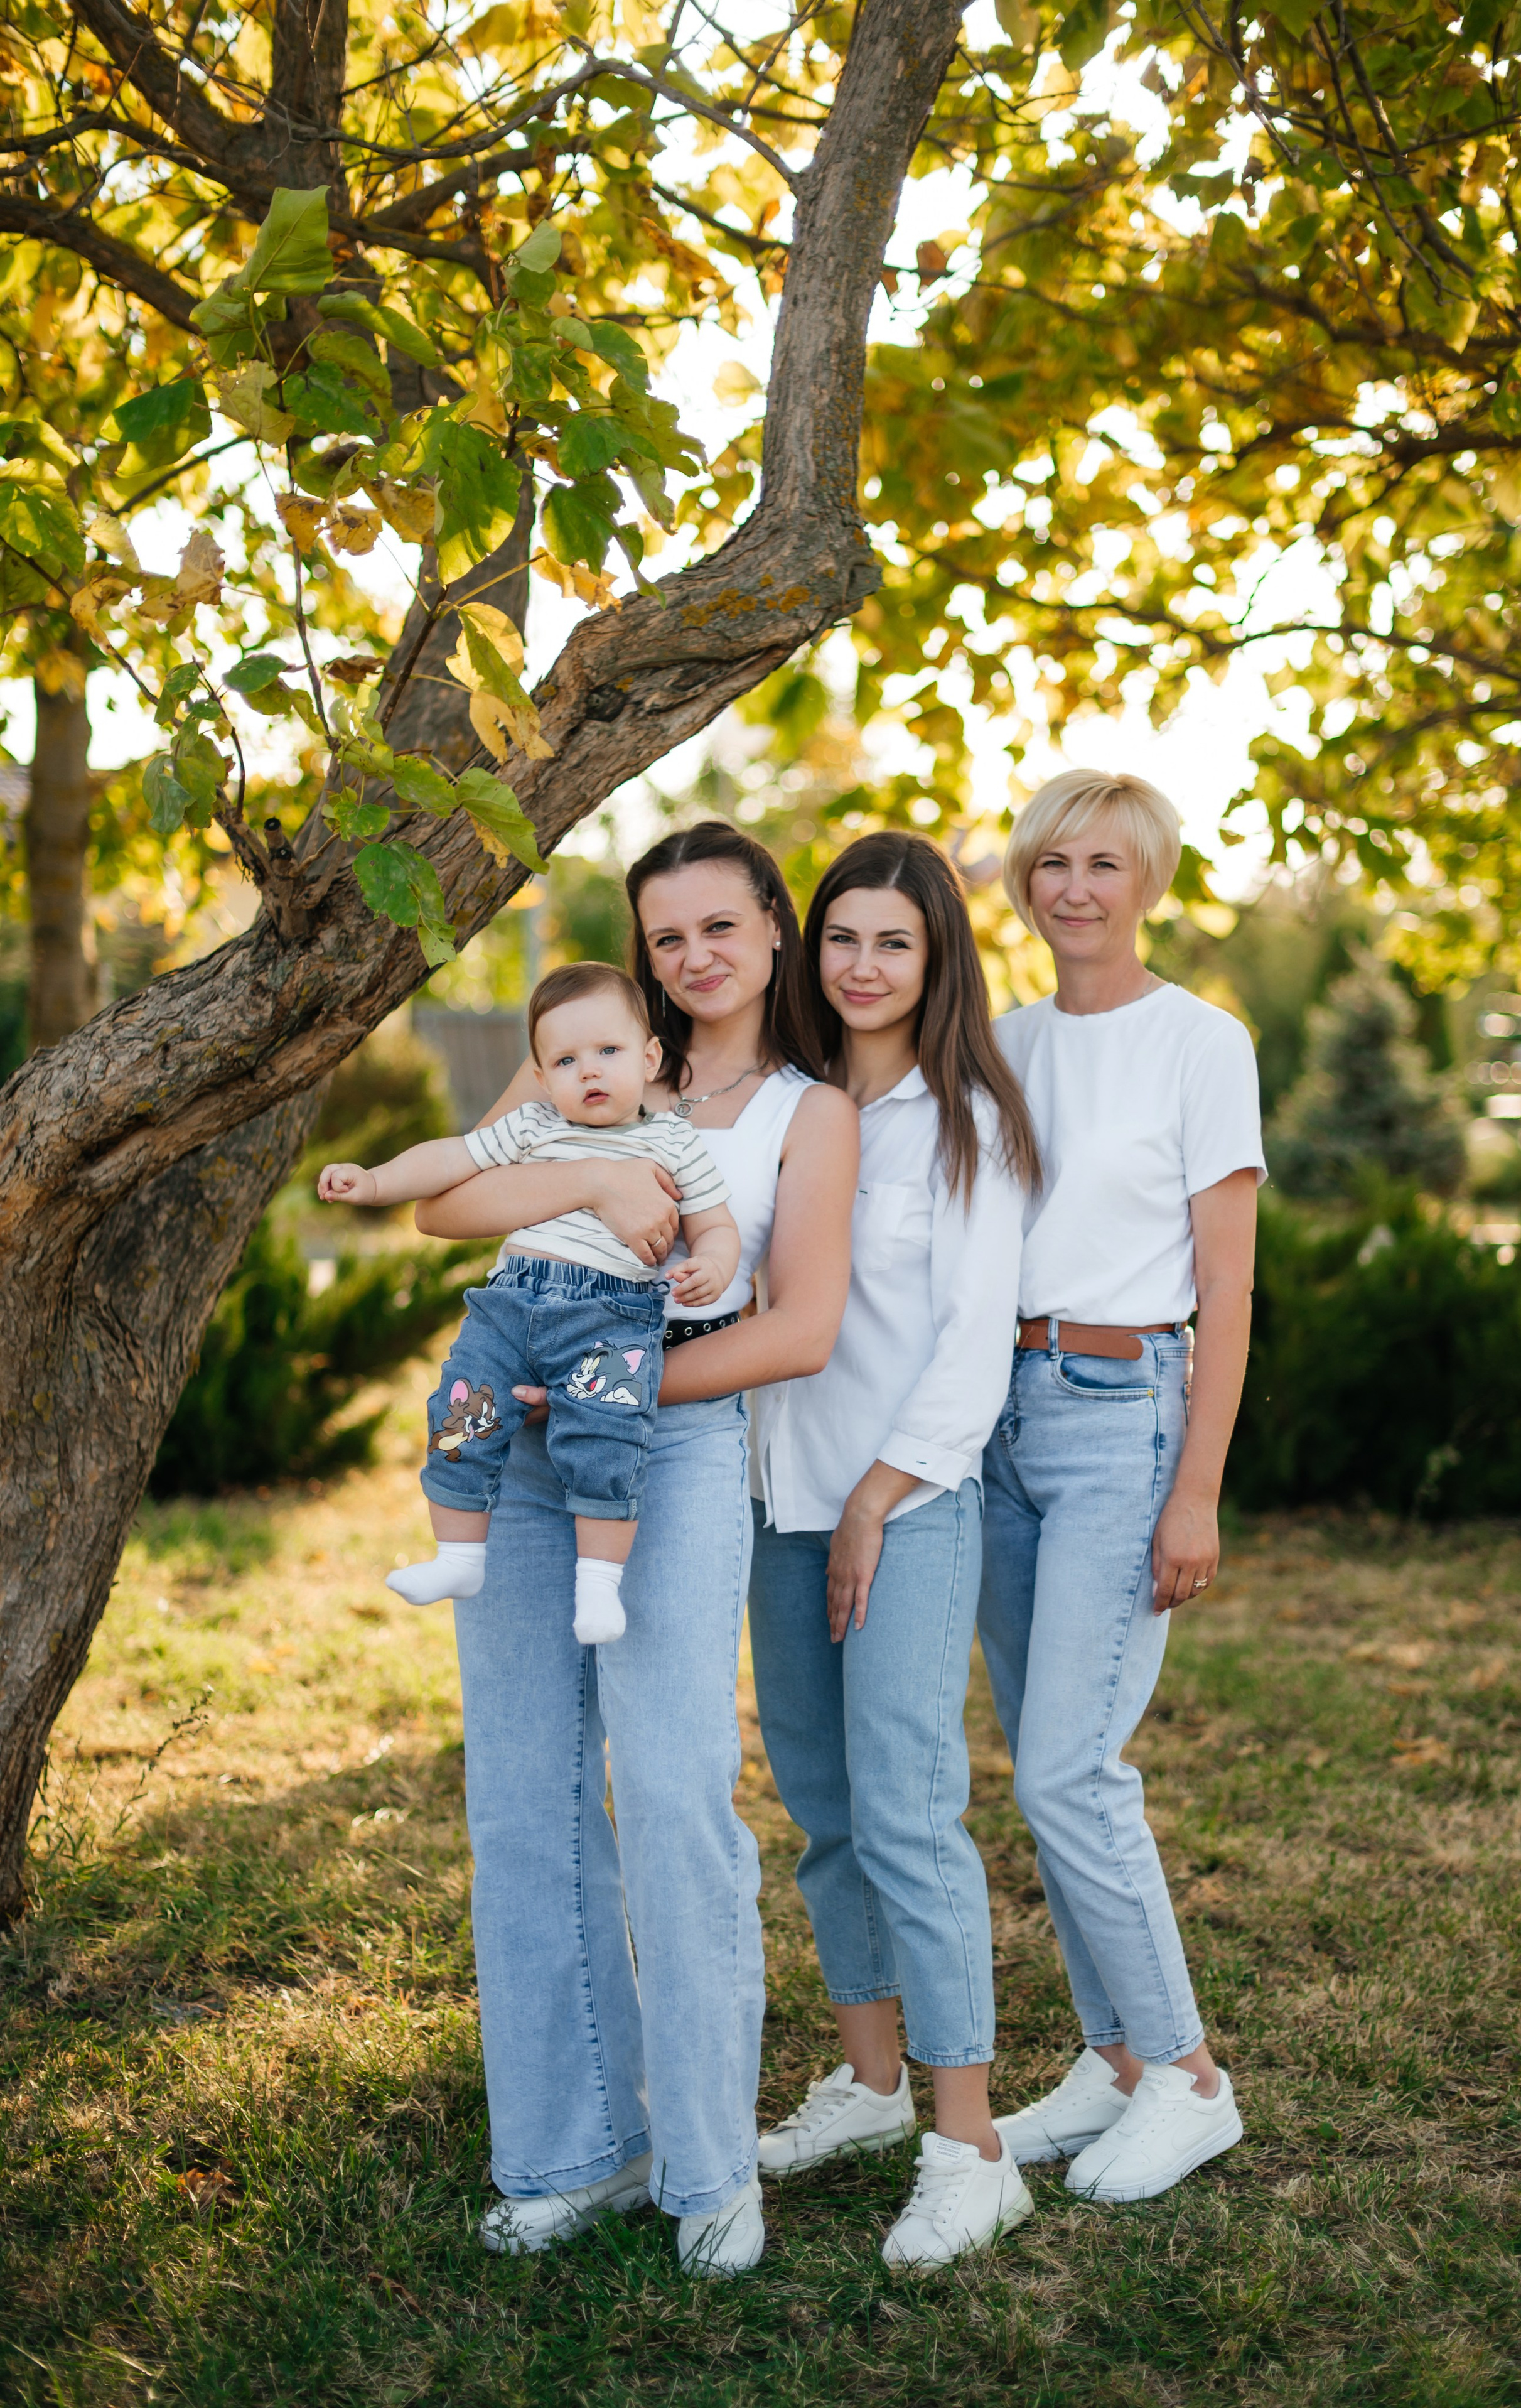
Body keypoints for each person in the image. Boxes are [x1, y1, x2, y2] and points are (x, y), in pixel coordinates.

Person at [414, 821, 857, 2277]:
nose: (692, 957)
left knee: (673, 1795)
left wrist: (604, 1383)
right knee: (522, 1800)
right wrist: (593, 1187)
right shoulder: (583, 1050)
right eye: (668, 933)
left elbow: (797, 1325)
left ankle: (711, 2162)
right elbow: (449, 1197)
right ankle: (573, 2146)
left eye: (718, 927)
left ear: (774, 930)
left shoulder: (809, 1107)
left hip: (662, 1442)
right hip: (519, 1461)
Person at [745, 831, 1041, 2268]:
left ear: (935, 963)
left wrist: (872, 1498)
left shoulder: (969, 1120)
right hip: (771, 1497)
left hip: (905, 1504)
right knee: (824, 1809)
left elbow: (969, 1352)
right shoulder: (786, 1110)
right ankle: (868, 2084)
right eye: (840, 937)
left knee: (911, 1809)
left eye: (892, 942)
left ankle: (967, 2142)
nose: (860, 965)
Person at [981, 768, 1264, 2205]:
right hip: (994, 1426)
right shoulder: (997, 1040)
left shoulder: (1198, 1041)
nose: (1072, 886)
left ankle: (1188, 2073)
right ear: (1022, 883)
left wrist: (1193, 1487)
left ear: (1145, 879)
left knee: (1066, 1765)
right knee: (1045, 1770)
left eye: (1101, 861)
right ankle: (1108, 2059)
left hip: (1119, 1412)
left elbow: (1226, 1281)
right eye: (1050, 862)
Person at [319, 962, 738, 1643]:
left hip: (612, 1318)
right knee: (462, 1410)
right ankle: (458, 1558)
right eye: (566, 1060)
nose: (589, 1071)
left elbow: (714, 1224)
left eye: (608, 1052)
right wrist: (374, 1181)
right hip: (512, 1307)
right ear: (542, 1078)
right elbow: (452, 1158)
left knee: (609, 1436)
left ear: (649, 1056)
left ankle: (598, 1587)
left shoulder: (674, 1139)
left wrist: (714, 1264)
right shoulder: (533, 1127)